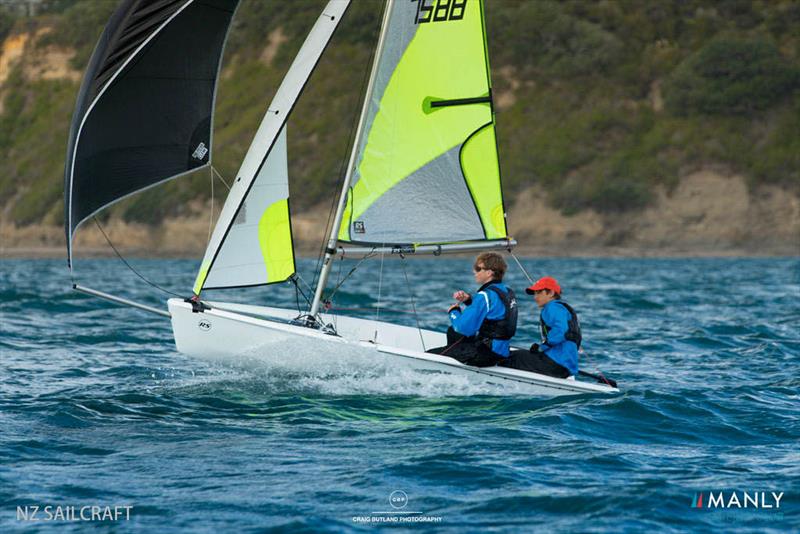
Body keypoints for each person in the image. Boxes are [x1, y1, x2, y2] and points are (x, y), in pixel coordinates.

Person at [427, 252, 517, 367]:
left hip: (486, 354)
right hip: (501, 351)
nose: (474, 272)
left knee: (429, 355)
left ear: (489, 273)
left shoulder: (485, 295)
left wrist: (453, 312)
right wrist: (468, 300)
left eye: (478, 269)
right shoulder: (507, 291)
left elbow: (462, 328)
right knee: (452, 333)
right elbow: (494, 311)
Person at [500, 276, 580, 378]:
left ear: (550, 293)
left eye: (539, 293)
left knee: (510, 356)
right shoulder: (563, 309)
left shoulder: (552, 307)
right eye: (534, 293)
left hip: (554, 364)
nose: (535, 297)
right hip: (566, 367)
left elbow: (561, 330)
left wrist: (542, 347)